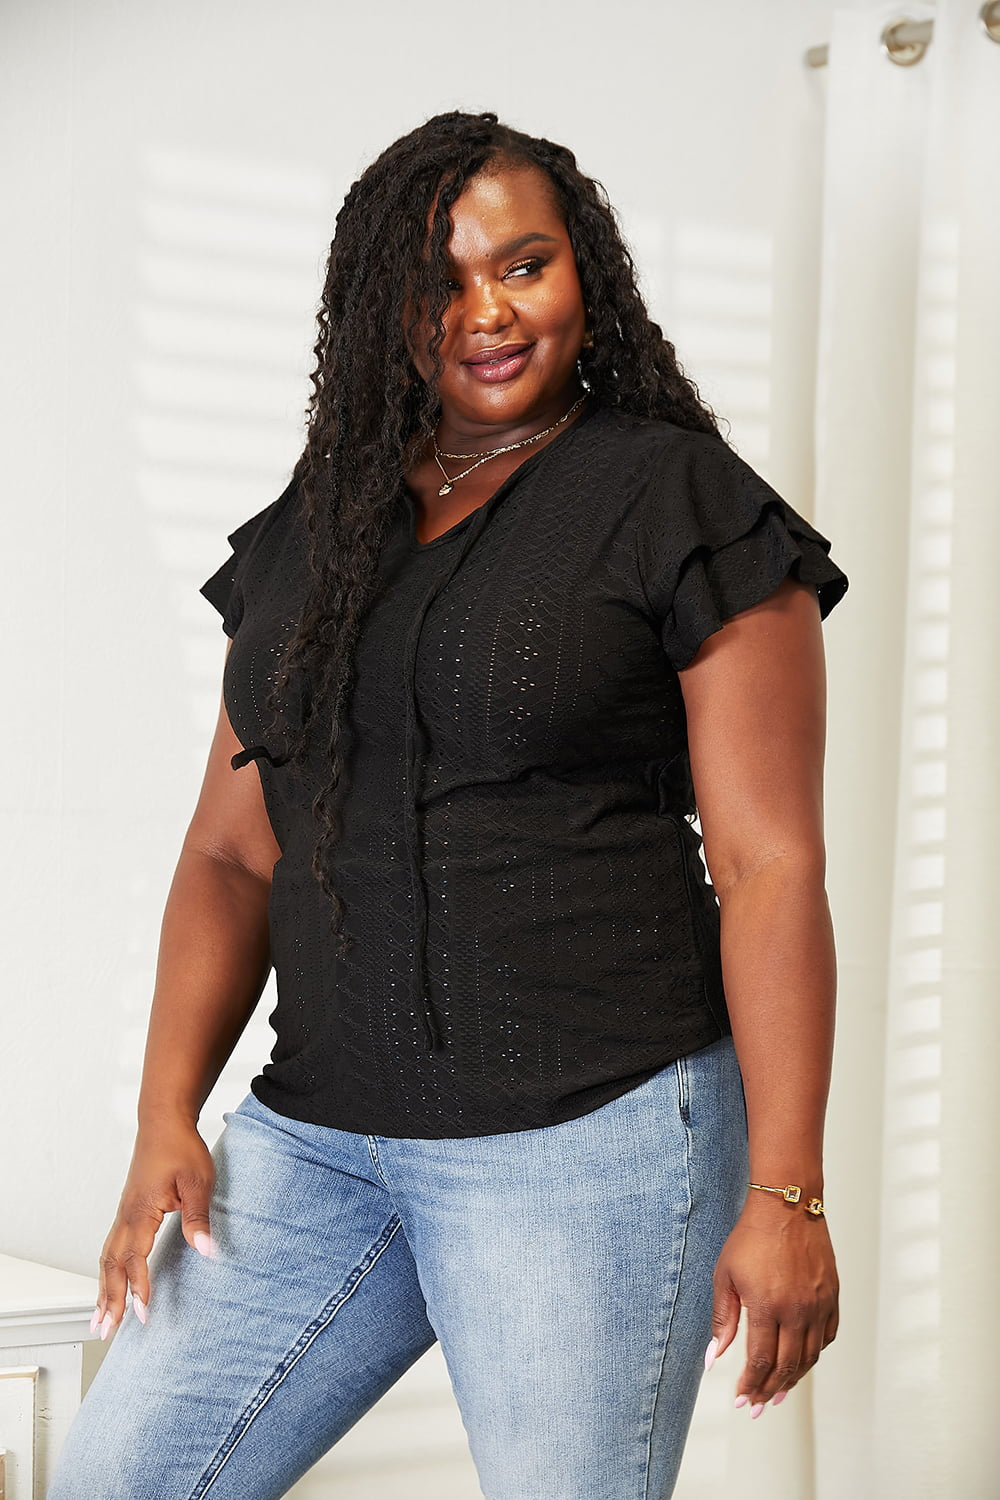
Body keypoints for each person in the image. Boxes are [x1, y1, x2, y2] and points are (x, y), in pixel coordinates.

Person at [48, 110, 848, 1500]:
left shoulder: (674, 500)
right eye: (441, 284)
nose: (487, 311)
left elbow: (770, 860)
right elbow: (233, 856)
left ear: (583, 275)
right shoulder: (326, 522)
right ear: (385, 314)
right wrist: (165, 1117)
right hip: (320, 1141)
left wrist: (785, 1190)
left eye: (523, 265)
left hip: (587, 1139)